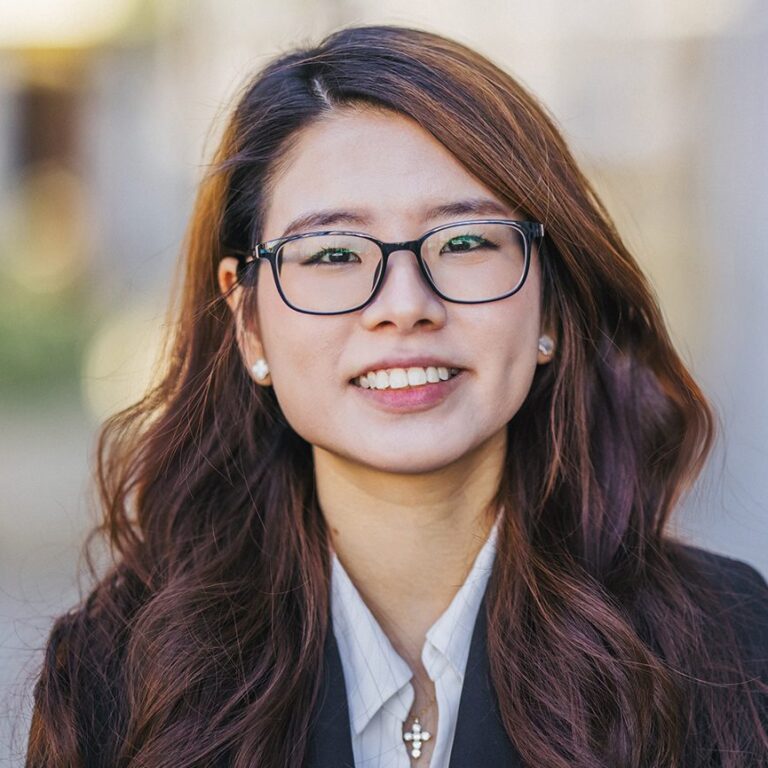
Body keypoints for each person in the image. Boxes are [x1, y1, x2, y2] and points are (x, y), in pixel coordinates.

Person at [25, 24, 768, 768]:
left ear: (549, 305)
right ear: (248, 323)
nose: (404, 305)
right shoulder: (122, 677)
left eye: (468, 243)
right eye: (335, 254)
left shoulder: (724, 648)